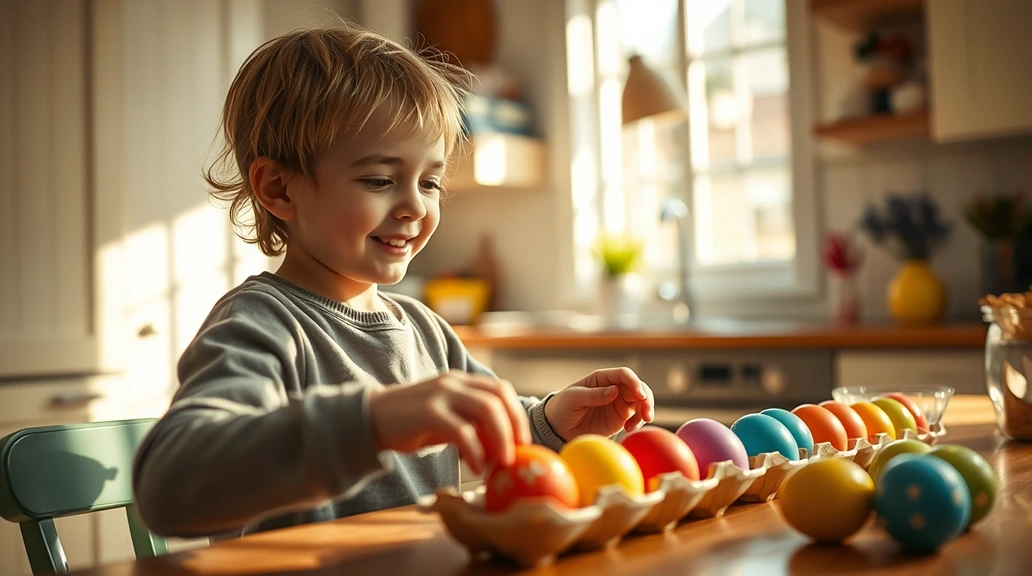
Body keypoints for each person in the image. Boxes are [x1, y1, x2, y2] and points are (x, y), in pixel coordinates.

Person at [132, 21, 655, 540]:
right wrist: (370, 422)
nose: (413, 206)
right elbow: (167, 485)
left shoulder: (427, 331)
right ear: (279, 189)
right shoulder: (262, 326)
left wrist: (551, 422)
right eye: (380, 180)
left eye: (429, 181)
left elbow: (488, 422)